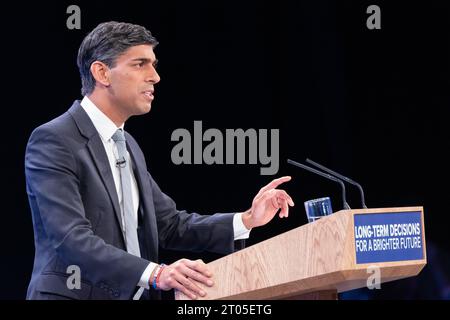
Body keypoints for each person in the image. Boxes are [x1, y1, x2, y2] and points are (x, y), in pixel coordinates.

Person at [25, 21, 295, 300]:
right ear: (102, 72)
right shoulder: (54, 140)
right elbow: (70, 239)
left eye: (153, 64)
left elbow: (169, 225)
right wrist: (156, 274)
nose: (155, 76)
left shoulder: (127, 144)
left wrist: (247, 219)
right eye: (140, 64)